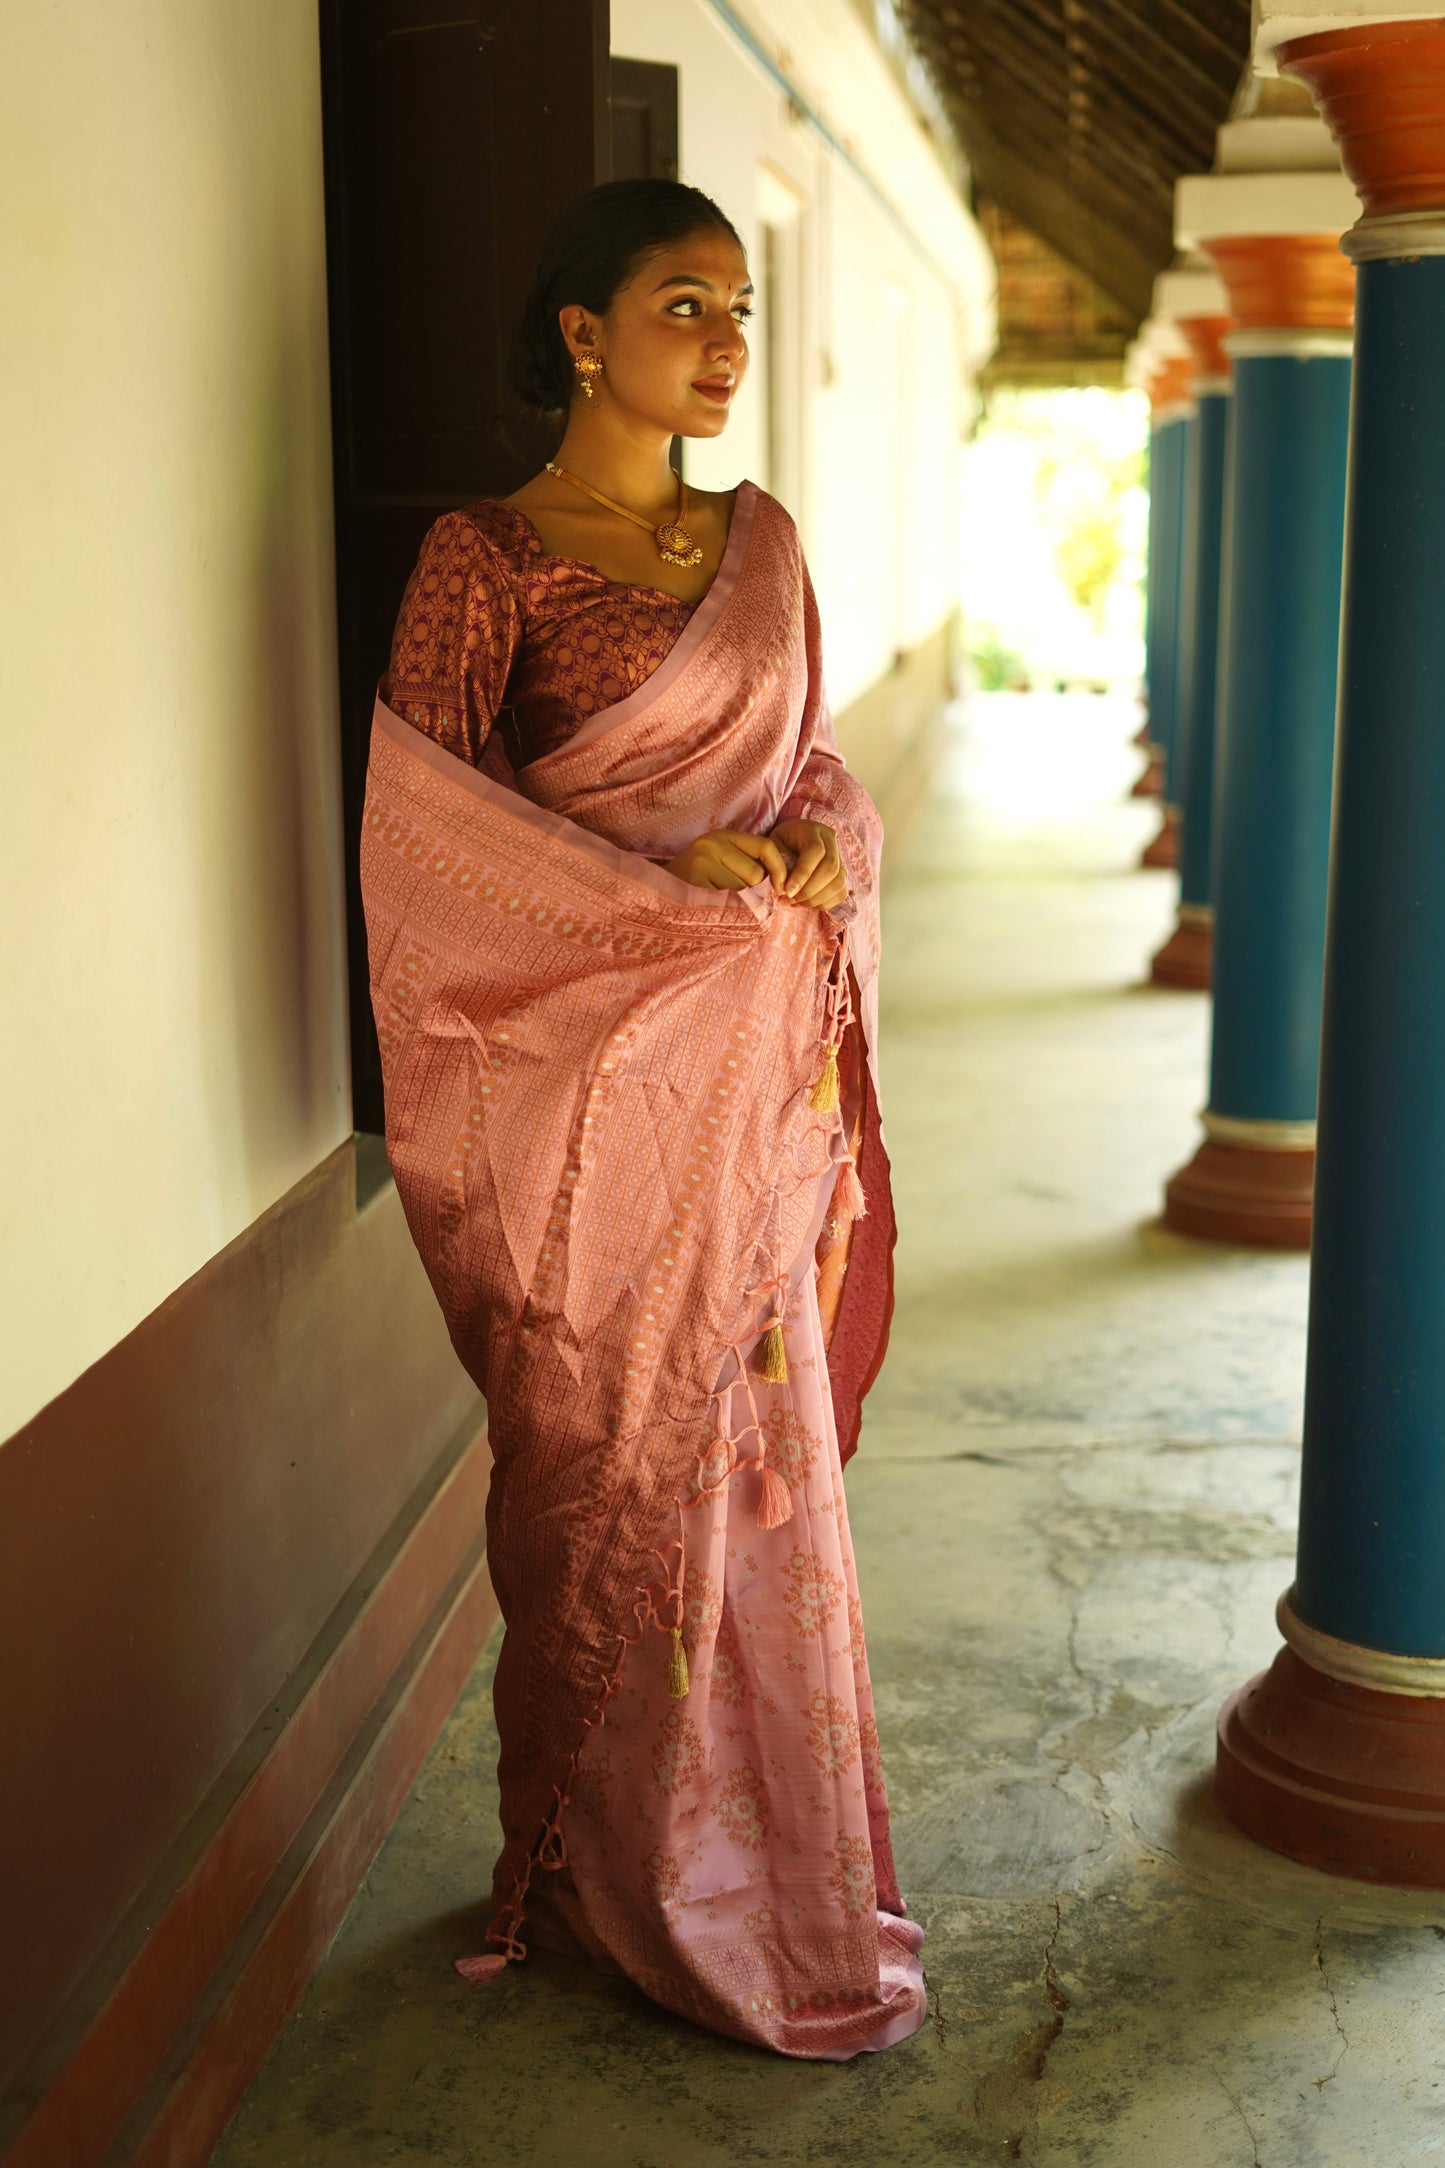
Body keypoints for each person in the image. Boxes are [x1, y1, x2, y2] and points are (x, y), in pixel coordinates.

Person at [360, 177, 925, 2058]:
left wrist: (814, 855)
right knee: (603, 1482)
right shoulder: (484, 561)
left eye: (744, 308)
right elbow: (429, 854)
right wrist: (673, 907)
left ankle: (766, 1866)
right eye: (686, 304)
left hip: (746, 1103)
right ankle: (612, 1879)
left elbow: (820, 770)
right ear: (582, 334)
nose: (727, 344)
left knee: (754, 1476)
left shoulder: (759, 542)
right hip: (588, 1132)